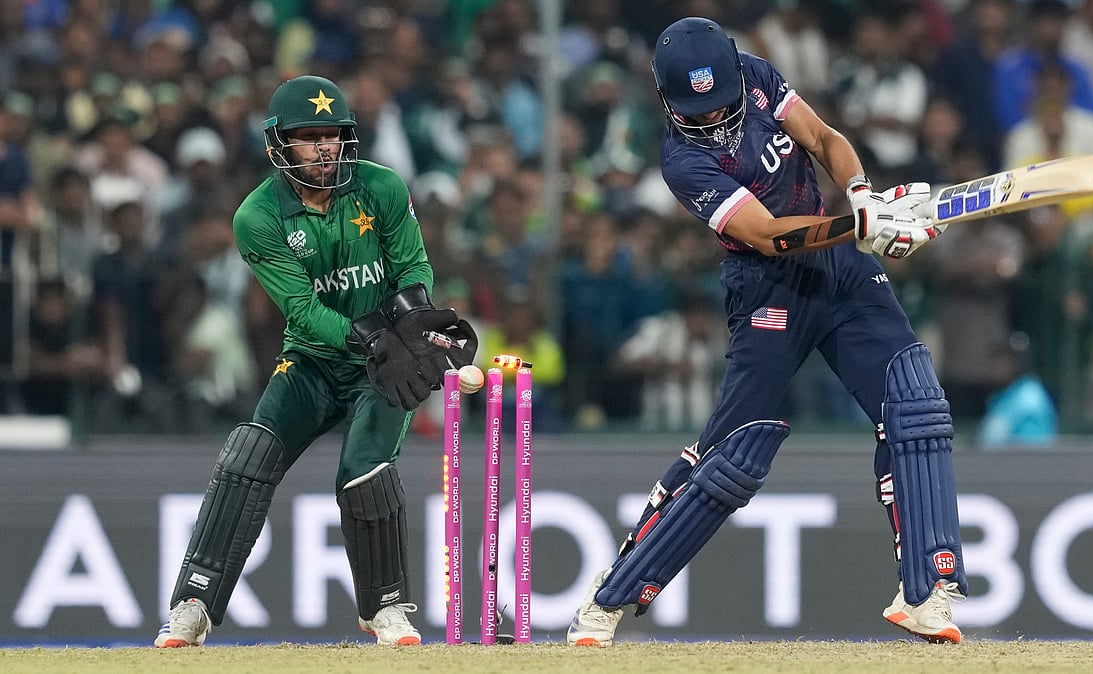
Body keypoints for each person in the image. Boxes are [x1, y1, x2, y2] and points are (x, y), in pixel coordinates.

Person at [567, 17, 969, 646]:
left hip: (839, 269)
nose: (713, 120)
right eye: (696, 111)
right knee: (733, 457)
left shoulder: (753, 74)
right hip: (767, 286)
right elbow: (767, 235)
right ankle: (609, 597)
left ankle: (928, 591)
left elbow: (826, 140)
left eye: (721, 104)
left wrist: (862, 194)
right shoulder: (683, 161)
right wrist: (859, 226)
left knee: (915, 405)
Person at [153, 75, 476, 648]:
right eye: (309, 138)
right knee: (247, 458)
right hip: (314, 360)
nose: (325, 149)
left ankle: (386, 609)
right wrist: (373, 340)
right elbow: (301, 310)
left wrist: (417, 322)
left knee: (364, 470)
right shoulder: (257, 217)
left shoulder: (380, 186)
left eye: (333, 135)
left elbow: (412, 268)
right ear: (280, 144)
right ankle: (195, 603)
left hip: (385, 367)